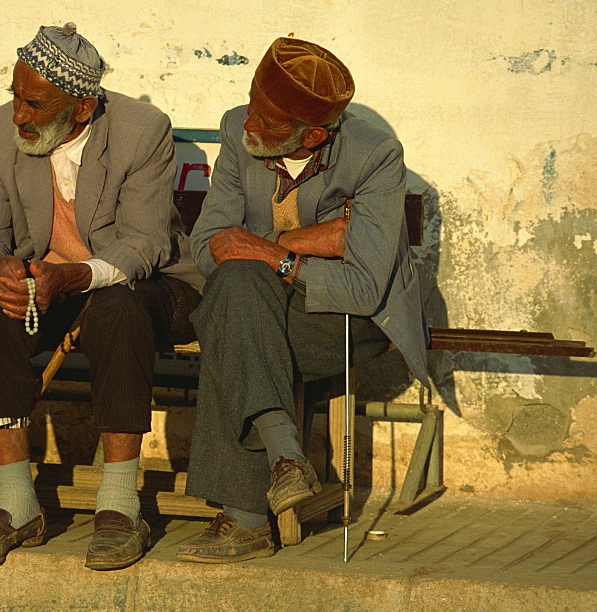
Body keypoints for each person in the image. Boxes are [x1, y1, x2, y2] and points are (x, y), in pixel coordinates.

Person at [0, 23, 203, 571]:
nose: (17, 114)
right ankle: (16, 504)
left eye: (34, 103)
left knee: (117, 308)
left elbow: (145, 244)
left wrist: (74, 276)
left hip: (150, 287)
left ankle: (121, 506)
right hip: (50, 289)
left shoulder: (141, 131)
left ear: (82, 108)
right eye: (15, 96)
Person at [176, 38, 429, 563]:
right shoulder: (236, 130)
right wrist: (323, 237)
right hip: (260, 304)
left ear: (312, 134)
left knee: (237, 317)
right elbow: (206, 246)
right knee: (238, 300)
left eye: (266, 122)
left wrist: (278, 252)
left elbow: (362, 287)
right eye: (251, 105)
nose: (249, 124)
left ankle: (247, 519)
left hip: (348, 318)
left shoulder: (375, 155)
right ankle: (287, 459)